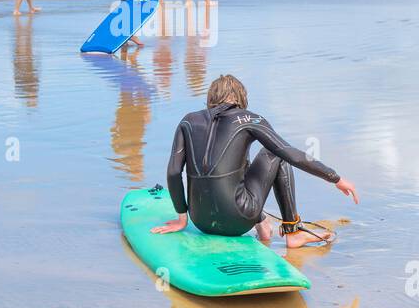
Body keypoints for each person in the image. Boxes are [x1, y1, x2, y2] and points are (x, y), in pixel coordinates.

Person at [152, 73, 358, 248]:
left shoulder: (188, 120)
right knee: (275, 153)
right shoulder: (249, 118)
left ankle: (262, 224)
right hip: (238, 220)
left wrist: (182, 219)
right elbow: (290, 153)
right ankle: (293, 232)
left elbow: (173, 172)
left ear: (211, 98)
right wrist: (335, 178)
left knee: (236, 166)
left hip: (201, 221)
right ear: (241, 98)